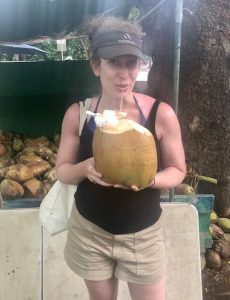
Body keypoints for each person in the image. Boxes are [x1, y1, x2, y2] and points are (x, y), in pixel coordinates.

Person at [56, 15, 186, 300]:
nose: (124, 74)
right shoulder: (78, 115)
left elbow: (177, 170)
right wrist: (84, 168)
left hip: (143, 234)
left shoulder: (159, 114)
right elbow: (62, 171)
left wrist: (151, 179)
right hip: (90, 230)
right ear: (95, 65)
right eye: (114, 62)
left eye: (131, 63)